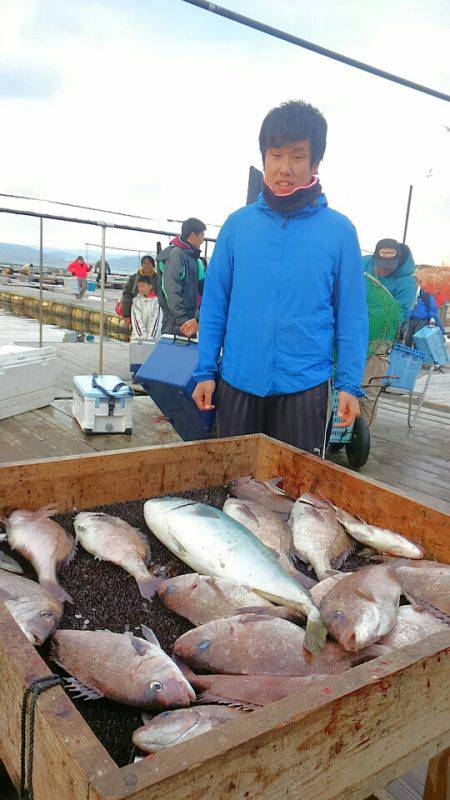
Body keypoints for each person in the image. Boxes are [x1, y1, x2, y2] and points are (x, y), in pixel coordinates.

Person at [192, 100, 368, 454]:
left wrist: (349, 384)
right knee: (236, 489)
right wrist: (205, 371)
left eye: (297, 156)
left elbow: (351, 316)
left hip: (305, 387)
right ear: (263, 158)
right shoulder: (237, 226)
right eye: (275, 155)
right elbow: (214, 307)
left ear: (315, 162)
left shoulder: (339, 231)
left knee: (297, 493)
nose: (284, 168)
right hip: (239, 381)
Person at [360, 239, 416, 426]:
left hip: (380, 340)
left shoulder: (407, 282)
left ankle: (360, 436)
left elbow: (400, 314)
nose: (385, 269)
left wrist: (372, 312)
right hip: (352, 333)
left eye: (390, 265)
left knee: (368, 388)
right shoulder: (363, 263)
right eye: (381, 264)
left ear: (399, 261)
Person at [156, 218, 206, 336]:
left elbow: (204, 289)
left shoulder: (196, 260)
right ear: (193, 235)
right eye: (202, 236)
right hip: (176, 322)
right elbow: (171, 290)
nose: (202, 240)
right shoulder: (176, 255)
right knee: (173, 352)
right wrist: (182, 319)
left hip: (191, 321)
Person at [404, 278, 446, 347]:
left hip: (422, 321)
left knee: (418, 340)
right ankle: (406, 355)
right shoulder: (408, 295)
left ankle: (417, 355)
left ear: (418, 283)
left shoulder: (425, 296)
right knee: (408, 339)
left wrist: (432, 318)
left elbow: (433, 308)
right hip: (411, 319)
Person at [119, 255, 157, 321]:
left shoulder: (158, 279)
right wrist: (126, 314)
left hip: (153, 314)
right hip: (136, 312)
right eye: (144, 263)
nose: (146, 266)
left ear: (153, 265)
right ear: (141, 265)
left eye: (149, 263)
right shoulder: (133, 278)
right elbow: (127, 295)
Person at [131, 276, 162, 342]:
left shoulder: (157, 302)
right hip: (138, 338)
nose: (141, 289)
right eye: (139, 286)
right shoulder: (136, 301)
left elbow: (156, 320)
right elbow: (136, 320)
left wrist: (151, 338)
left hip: (154, 338)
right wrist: (142, 337)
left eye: (143, 286)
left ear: (150, 286)